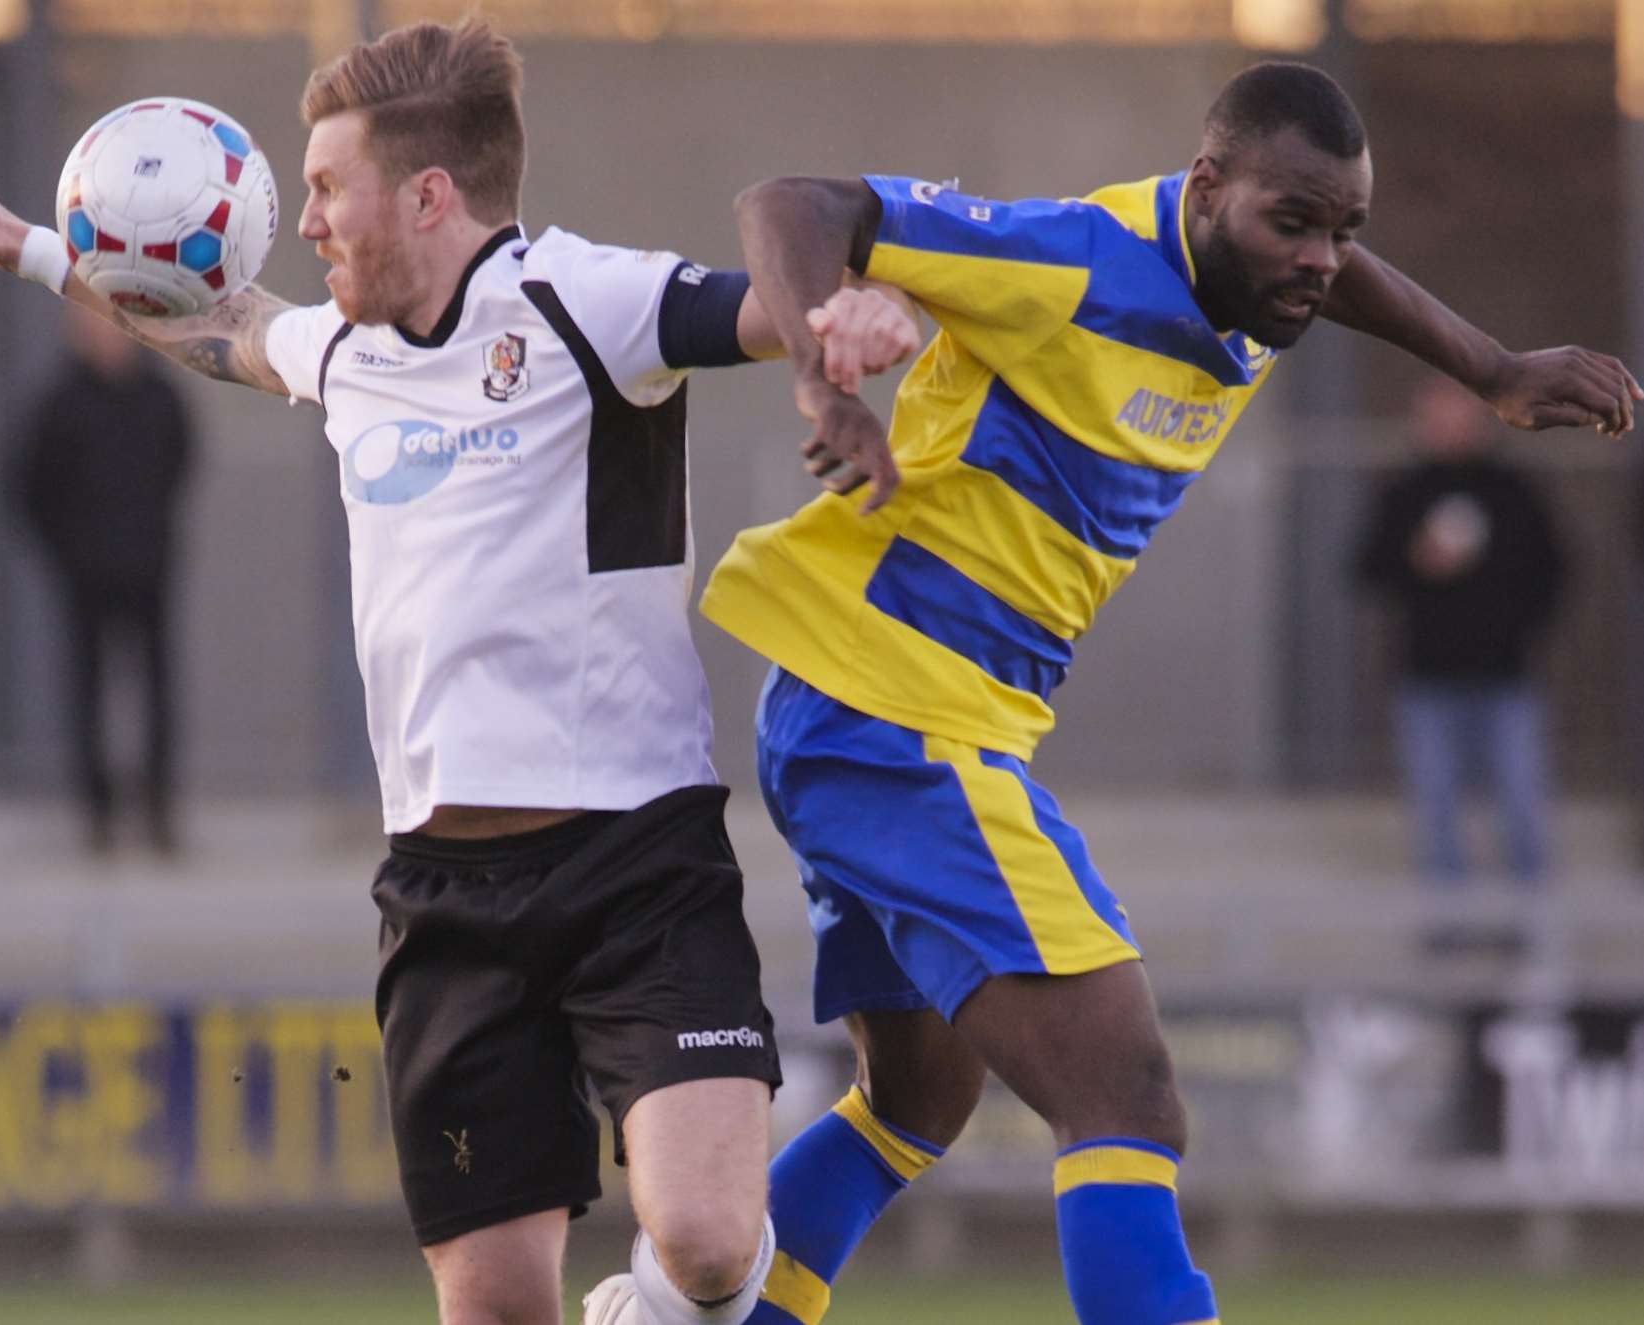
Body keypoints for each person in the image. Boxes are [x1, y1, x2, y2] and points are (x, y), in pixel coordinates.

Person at [0, 19, 917, 1325]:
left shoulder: (588, 302)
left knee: (703, 1242)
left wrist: (852, 313)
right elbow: (216, 325)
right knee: (491, 1311)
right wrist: (30, 246)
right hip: (444, 899)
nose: (301, 221)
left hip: (638, 866)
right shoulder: (346, 355)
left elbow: (767, 306)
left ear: (425, 194)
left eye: (323, 188)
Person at [687, 62, 1637, 1325]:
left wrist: (1491, 365)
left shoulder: (1257, 280)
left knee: (918, 1101)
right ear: (1205, 191)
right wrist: (823, 383)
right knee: (1125, 1094)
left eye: (1340, 228)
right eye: (1289, 223)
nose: (1317, 259)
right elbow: (792, 200)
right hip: (896, 713)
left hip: (885, 715)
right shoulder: (1075, 264)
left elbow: (1329, 261)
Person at [1355, 377, 1564, 889]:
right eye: (1436, 416)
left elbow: (1553, 569)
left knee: (1522, 801)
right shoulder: (1403, 491)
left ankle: (1534, 924)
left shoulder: (1513, 490)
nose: (1447, 427)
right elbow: (1365, 569)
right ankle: (1450, 925)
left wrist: (1513, 617)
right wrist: (1417, 560)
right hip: (1427, 676)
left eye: (1457, 415)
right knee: (1436, 806)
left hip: (1506, 674)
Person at [14, 302, 196, 855]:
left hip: (150, 569)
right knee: (86, 691)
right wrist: (66, 552)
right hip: (85, 576)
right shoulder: (59, 403)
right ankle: (98, 815)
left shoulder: (159, 396)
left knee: (158, 691)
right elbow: (27, 485)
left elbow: (182, 463)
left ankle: (158, 810)